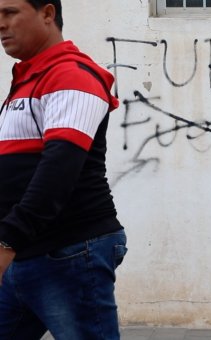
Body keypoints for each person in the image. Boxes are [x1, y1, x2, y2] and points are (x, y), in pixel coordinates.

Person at [0, 0, 127, 338]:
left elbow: (59, 169)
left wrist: (7, 240)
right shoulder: (28, 79)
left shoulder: (71, 75)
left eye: (9, 13)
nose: (0, 24)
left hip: (69, 252)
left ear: (47, 14)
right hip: (24, 251)